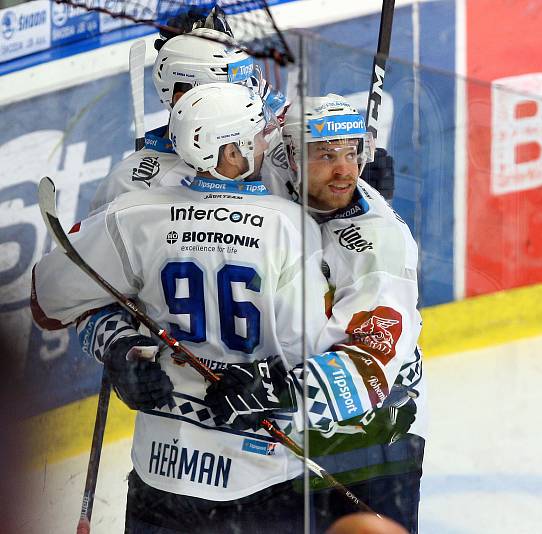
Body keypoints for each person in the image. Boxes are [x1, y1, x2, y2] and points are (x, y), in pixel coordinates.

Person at [31, 83, 331, 532]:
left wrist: (118, 347)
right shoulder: (290, 226)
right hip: (264, 479)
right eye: (256, 135)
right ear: (230, 153)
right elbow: (312, 352)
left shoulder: (132, 215)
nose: (266, 142)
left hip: (160, 475)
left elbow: (47, 305)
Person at [276, 94, 427, 533]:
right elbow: (251, 120)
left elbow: (368, 365)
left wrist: (272, 393)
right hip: (288, 441)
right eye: (327, 155)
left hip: (372, 436)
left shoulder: (379, 245)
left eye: (351, 153)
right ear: (288, 158)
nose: (346, 169)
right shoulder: (271, 169)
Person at [90, 24, 290, 212]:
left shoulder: (270, 141)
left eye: (247, 86)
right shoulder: (130, 183)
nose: (246, 99)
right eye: (230, 91)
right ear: (181, 99)